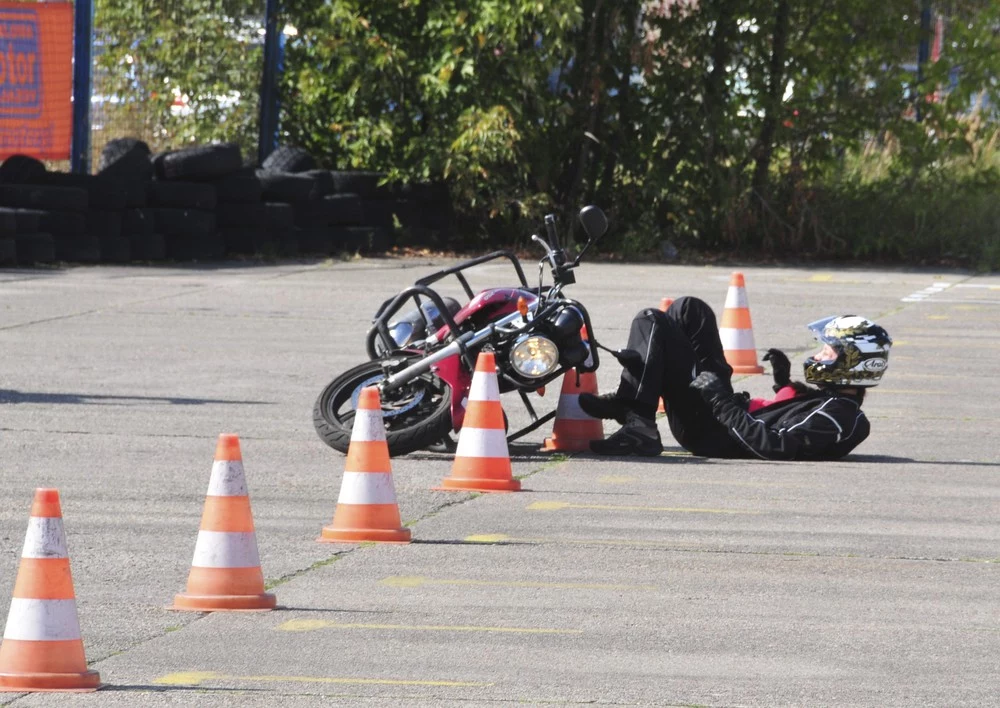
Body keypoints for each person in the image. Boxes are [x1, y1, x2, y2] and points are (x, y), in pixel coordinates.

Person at [580, 296, 892, 460]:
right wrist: (784, 383)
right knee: (689, 309)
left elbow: (779, 445)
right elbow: (784, 416)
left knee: (652, 320)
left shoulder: (840, 416)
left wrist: (722, 403)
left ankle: (637, 422)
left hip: (714, 432)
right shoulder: (834, 404)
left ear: (854, 363)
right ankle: (632, 405)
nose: (820, 357)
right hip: (722, 415)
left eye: (829, 352)